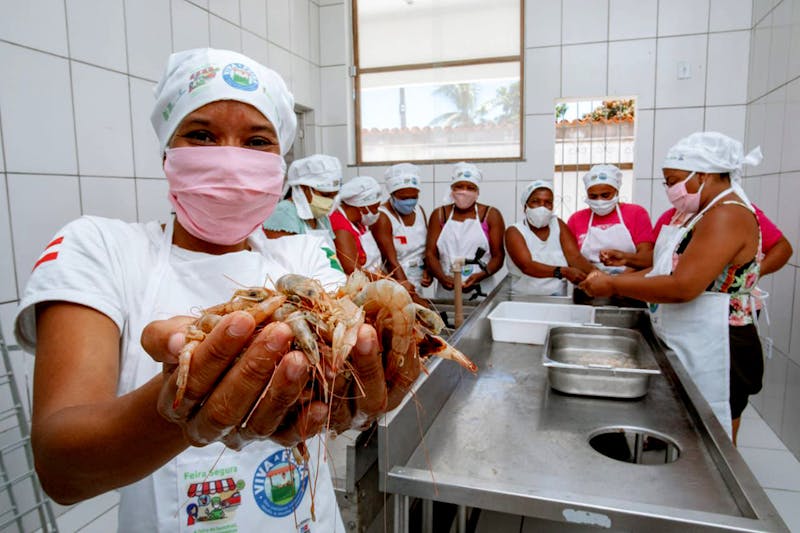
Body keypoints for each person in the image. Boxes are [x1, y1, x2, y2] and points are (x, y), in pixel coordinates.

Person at [13, 48, 418, 532]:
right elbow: (61, 469)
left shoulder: (305, 258)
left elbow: (355, 366)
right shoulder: (98, 249)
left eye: (257, 141)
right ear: (168, 151)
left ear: (281, 162)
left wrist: (373, 386)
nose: (229, 158)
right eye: (202, 135)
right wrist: (181, 402)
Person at [579, 132, 764, 444]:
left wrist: (613, 284)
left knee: (713, 444)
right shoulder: (699, 214)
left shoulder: (726, 214)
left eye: (674, 180)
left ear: (703, 174)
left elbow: (683, 286)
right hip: (697, 334)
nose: (670, 189)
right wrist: (614, 281)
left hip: (722, 341)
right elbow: (661, 269)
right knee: (692, 435)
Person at [426, 162, 506, 300]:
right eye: (459, 187)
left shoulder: (490, 215)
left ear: (477, 192)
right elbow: (430, 254)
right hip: (447, 290)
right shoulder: (439, 215)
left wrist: (480, 275)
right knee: (448, 320)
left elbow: (498, 256)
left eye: (470, 188)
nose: (464, 191)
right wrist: (442, 278)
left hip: (482, 288)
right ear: (452, 189)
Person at [505, 180, 595, 296]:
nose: (542, 207)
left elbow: (575, 257)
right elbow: (527, 266)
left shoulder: (557, 224)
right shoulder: (514, 231)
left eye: (548, 202)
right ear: (525, 206)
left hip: (558, 296)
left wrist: (599, 275)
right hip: (525, 298)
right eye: (536, 201)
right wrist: (563, 271)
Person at [654, 204, 792, 278]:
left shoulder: (739, 213)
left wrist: (751, 276)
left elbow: (782, 247)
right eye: (668, 183)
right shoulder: (671, 216)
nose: (672, 189)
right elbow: (654, 258)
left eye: (674, 181)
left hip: (728, 312)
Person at [567, 164, 655, 273]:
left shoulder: (636, 213)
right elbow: (571, 257)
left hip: (630, 281)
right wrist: (595, 275)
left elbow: (645, 256)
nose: (599, 201)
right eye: (593, 196)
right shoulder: (576, 219)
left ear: (616, 192)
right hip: (590, 281)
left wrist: (619, 281)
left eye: (605, 195)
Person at [372, 163, 430, 300]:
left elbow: (426, 248)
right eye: (404, 198)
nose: (410, 201)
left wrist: (428, 270)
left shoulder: (420, 211)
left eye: (414, 197)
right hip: (396, 284)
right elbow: (391, 260)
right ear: (392, 194)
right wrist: (409, 292)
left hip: (417, 280)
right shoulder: (383, 217)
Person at [263, 153, 342, 247]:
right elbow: (284, 257)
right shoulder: (284, 213)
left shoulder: (320, 216)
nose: (330, 201)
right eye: (325, 195)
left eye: (334, 196)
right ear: (304, 188)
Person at [329, 176, 384, 275]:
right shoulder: (340, 226)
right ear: (362, 207)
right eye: (375, 207)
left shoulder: (359, 222)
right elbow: (351, 269)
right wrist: (389, 283)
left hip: (372, 279)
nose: (377, 212)